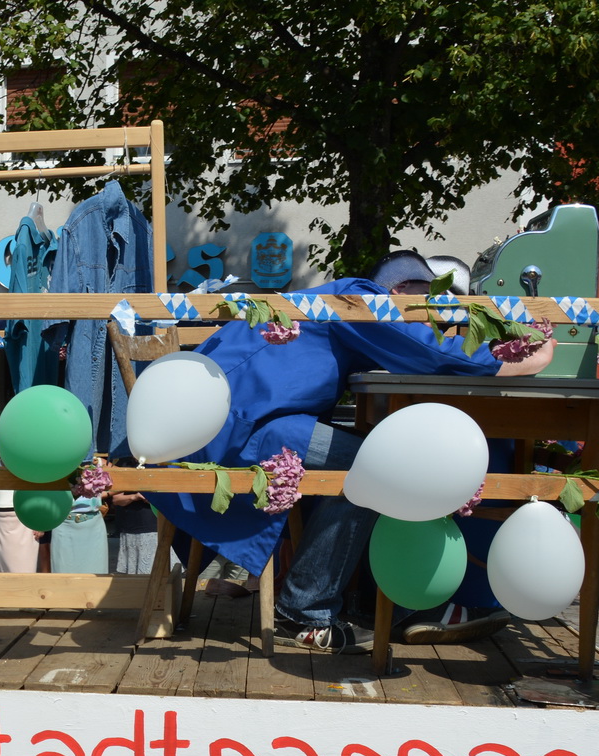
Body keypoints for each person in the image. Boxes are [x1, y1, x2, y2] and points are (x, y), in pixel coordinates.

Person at [154, 251, 556, 654]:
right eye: (426, 304)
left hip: (231, 425)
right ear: (398, 292)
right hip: (239, 430)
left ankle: (368, 603)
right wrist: (518, 359)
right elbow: (429, 353)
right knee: (375, 467)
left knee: (371, 460)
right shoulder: (358, 297)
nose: (433, 317)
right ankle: (310, 609)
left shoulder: (334, 300)